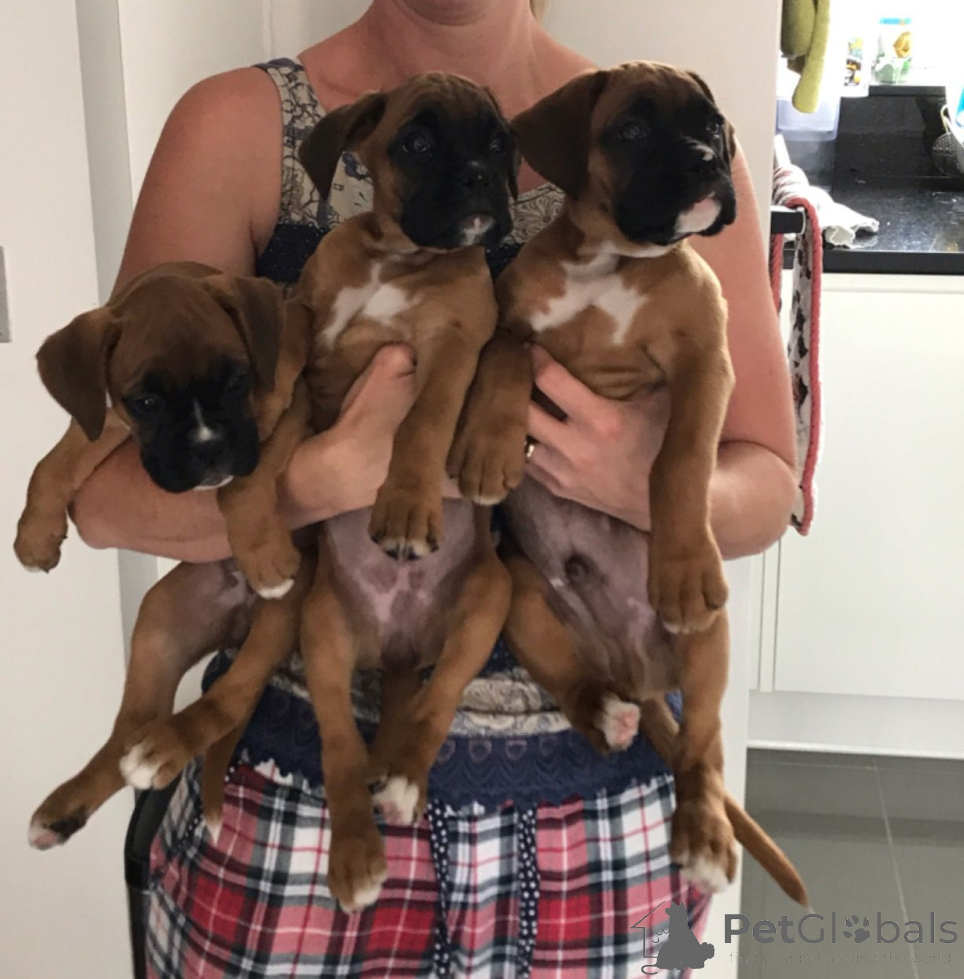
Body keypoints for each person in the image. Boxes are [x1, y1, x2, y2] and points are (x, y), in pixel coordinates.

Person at [74, 1, 796, 975]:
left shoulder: (658, 137)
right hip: (297, 796)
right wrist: (313, 482)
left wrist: (640, 484)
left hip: (600, 808)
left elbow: (768, 481)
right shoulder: (240, 124)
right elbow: (103, 496)